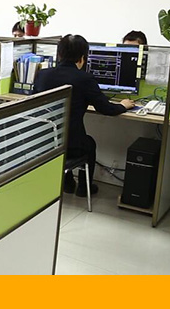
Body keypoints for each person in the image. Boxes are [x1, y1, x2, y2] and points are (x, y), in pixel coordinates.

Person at [33, 35, 135, 197]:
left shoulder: (42, 74)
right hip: (71, 146)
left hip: (44, 143)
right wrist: (123, 105)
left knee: (66, 138)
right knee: (89, 143)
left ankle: (67, 183)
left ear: (59, 54)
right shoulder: (85, 78)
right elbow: (106, 108)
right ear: (82, 58)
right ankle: (83, 187)